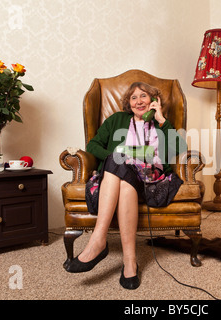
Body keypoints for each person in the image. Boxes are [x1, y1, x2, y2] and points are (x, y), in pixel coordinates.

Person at [65, 82, 187, 290]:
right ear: (128, 104)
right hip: (119, 174)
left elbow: (179, 147)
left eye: (144, 96)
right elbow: (93, 145)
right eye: (133, 97)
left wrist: (160, 119)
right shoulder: (116, 120)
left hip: (150, 178)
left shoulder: (160, 123)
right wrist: (113, 157)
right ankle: (129, 261)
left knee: (120, 162)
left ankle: (98, 242)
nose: (139, 101)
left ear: (153, 100)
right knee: (119, 161)